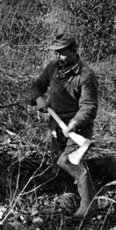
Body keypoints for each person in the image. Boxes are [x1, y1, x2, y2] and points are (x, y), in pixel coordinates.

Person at [30, 33, 98, 219]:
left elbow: (89, 107)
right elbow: (37, 85)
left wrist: (74, 123)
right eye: (56, 53)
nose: (58, 57)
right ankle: (85, 199)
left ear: (74, 51)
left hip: (78, 128)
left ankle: (88, 206)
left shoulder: (86, 76)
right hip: (56, 124)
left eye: (62, 53)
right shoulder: (54, 67)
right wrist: (38, 99)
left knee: (68, 161)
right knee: (61, 159)